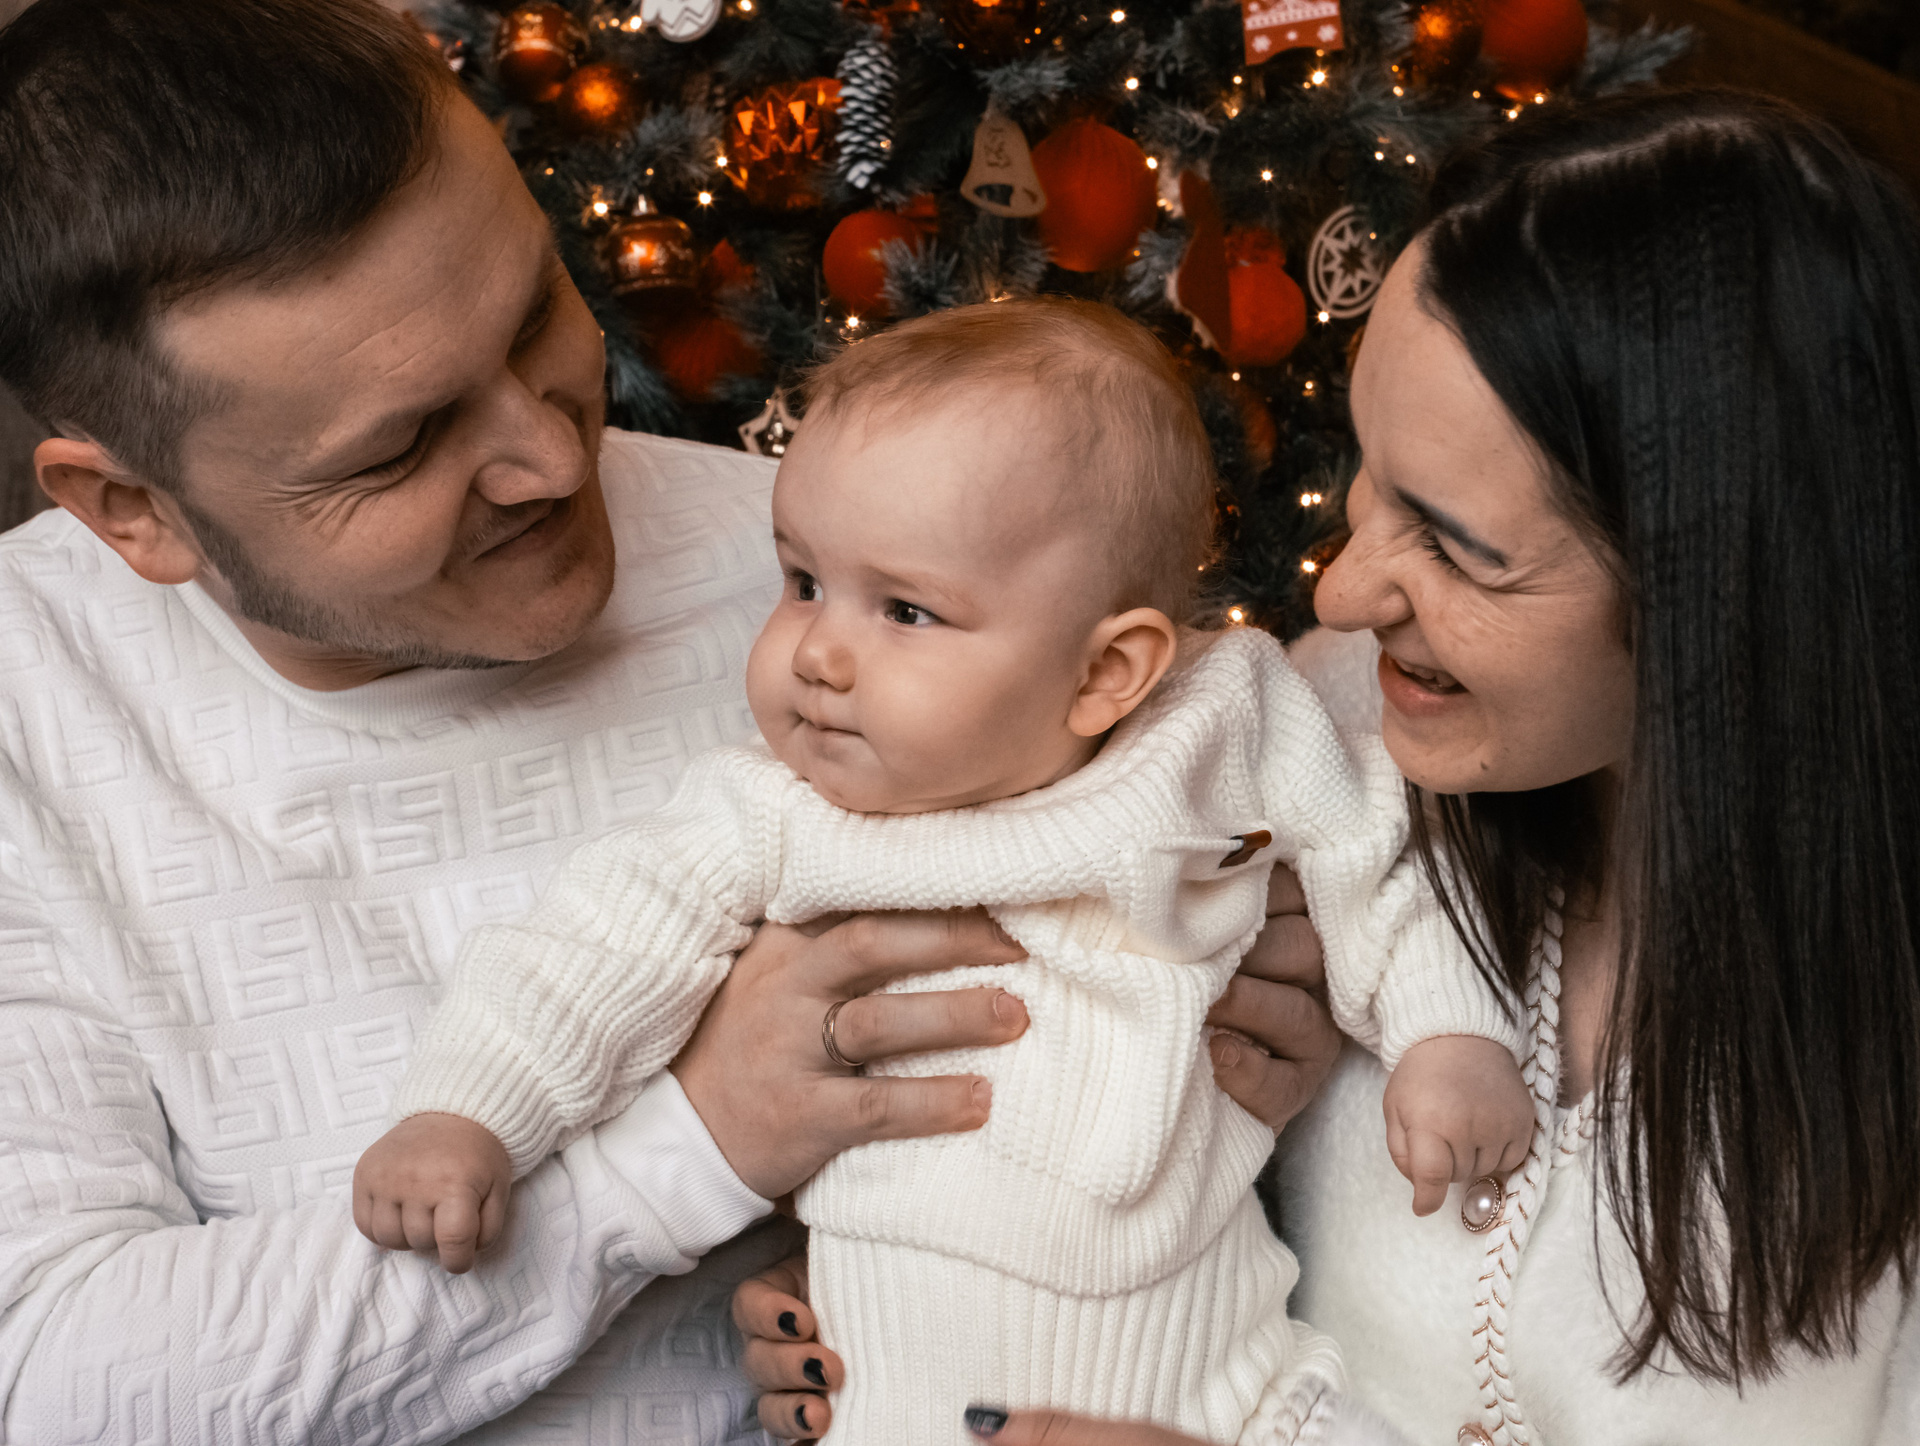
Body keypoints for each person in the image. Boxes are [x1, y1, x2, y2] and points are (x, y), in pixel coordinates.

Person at [0, 2, 1336, 1441]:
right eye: (401, 447)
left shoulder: (850, 563)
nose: (547, 455)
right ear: (130, 510)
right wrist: (690, 1145)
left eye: (535, 313)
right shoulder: (29, 720)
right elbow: (57, 1380)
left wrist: (1263, 1060)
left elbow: (1223, 873)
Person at [735, 88, 1920, 1446]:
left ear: (1730, 591)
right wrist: (927, 1295)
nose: (1341, 594)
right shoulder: (1308, 746)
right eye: (1370, 475)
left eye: (1457, 547)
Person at [351, 298, 1532, 1444]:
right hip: (896, 1395)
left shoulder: (1214, 730)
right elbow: (591, 946)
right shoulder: (775, 812)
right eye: (803, 582)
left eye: (906, 611)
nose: (819, 652)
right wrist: (468, 1111)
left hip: (1218, 1381)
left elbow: (1377, 858)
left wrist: (1447, 1035)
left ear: (1106, 674)